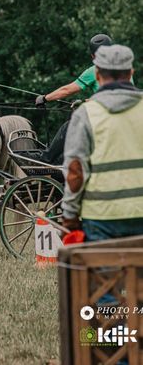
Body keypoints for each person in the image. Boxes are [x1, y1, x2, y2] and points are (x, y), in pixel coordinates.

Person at [61, 44, 143, 241]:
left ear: (97, 75)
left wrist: (69, 215)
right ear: (131, 72)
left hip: (100, 216)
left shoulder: (85, 114)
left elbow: (75, 171)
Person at [34, 34, 113, 164]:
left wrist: (45, 98)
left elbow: (67, 90)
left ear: (93, 56)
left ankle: (46, 158)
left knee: (69, 126)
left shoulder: (95, 70)